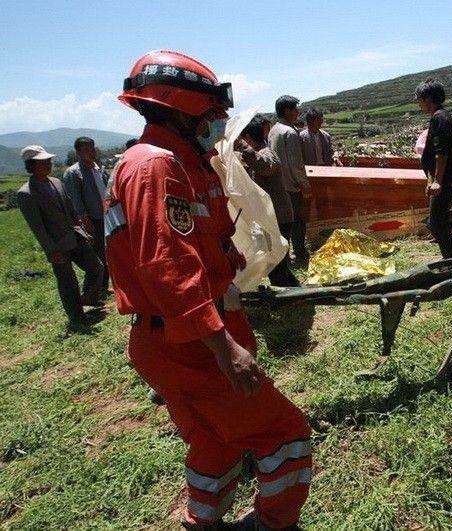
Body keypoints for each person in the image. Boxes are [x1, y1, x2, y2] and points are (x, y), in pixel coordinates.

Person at [107, 50, 312, 529]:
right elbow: (166, 265)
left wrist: (226, 257)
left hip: (171, 339)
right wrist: (223, 346)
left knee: (215, 442)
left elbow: (190, 242)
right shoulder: (157, 167)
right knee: (283, 434)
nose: (218, 122)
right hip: (193, 343)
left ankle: (201, 521)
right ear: (180, 111)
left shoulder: (185, 164)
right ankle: (274, 524)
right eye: (210, 114)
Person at [17, 145, 104, 326]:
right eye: (42, 162)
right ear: (31, 165)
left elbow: (71, 209)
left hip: (75, 236)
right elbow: (37, 226)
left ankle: (88, 297)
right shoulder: (26, 193)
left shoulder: (56, 182)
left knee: (97, 267)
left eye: (48, 161)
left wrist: (81, 229)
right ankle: (77, 318)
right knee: (68, 283)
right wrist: (51, 249)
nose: (48, 164)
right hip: (57, 245)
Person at [236, 113, 299, 287]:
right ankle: (295, 291)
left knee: (275, 262)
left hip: (280, 217)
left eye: (243, 138)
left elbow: (265, 165)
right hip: (273, 217)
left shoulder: (267, 153)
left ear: (248, 137)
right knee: (278, 260)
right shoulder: (256, 155)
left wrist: (242, 147)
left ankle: (285, 299)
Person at [416, 78, 452, 259]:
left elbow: (441, 154)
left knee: (437, 225)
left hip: (444, 180)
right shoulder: (440, 116)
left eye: (419, 99)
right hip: (441, 180)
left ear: (428, 98)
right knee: (439, 224)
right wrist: (431, 180)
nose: (419, 103)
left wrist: (437, 181)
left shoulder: (440, 118)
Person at [62, 136, 110, 290]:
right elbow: (75, 199)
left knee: (107, 251)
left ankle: (104, 285)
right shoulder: (74, 172)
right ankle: (94, 289)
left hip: (106, 216)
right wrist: (84, 220)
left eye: (92, 148)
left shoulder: (98, 168)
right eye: (86, 150)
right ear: (78, 152)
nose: (91, 152)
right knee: (97, 254)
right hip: (92, 218)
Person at [268, 95, 311, 263]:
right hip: (291, 185)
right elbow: (296, 164)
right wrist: (305, 185)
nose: (297, 112)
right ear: (287, 111)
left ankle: (284, 257)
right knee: (298, 222)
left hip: (278, 185)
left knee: (283, 224)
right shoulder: (290, 132)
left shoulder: (273, 130)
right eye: (295, 109)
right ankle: (300, 254)